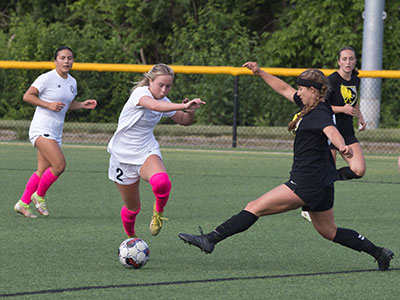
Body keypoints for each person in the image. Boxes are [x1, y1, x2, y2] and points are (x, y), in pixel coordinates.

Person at [178, 62, 394, 271]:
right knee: (329, 231)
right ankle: (378, 252)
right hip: (322, 183)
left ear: (313, 90)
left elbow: (331, 130)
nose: (297, 92)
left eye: (301, 88)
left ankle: (210, 239)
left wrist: (342, 147)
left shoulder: (319, 113)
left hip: (306, 182)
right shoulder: (312, 105)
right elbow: (282, 88)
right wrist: (260, 72)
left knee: (255, 206)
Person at [107, 63, 205, 238]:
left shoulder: (164, 100)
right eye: (161, 85)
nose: (164, 90)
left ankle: (158, 213)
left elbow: (183, 120)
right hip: (121, 156)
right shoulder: (140, 93)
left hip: (146, 150)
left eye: (168, 86)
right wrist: (181, 106)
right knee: (132, 208)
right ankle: (131, 239)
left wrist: (189, 111)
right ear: (150, 81)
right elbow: (153, 106)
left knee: (162, 182)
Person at [14, 46, 97, 218]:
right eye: (62, 58)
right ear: (55, 60)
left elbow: (67, 104)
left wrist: (81, 105)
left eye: (70, 58)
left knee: (42, 170)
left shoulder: (72, 82)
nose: (66, 61)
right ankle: (39, 196)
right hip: (41, 128)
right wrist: (48, 104)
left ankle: (22, 203)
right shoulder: (47, 78)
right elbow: (27, 96)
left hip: (55, 131)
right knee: (59, 165)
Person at [301, 46, 366, 222]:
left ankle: (327, 177)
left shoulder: (355, 79)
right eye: (344, 59)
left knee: (359, 169)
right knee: (324, 172)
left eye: (351, 59)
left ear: (355, 61)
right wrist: (342, 109)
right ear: (338, 61)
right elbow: (321, 105)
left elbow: (353, 100)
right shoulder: (331, 81)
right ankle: (308, 207)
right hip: (330, 131)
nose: (348, 62)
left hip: (347, 132)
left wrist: (359, 116)